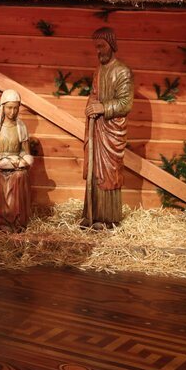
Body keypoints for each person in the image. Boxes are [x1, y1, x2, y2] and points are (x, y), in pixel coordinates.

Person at [80, 27, 133, 229]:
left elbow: (126, 103)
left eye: (101, 46)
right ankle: (92, 214)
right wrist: (91, 105)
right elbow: (94, 94)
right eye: (96, 47)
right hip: (97, 128)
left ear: (111, 46)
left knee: (109, 174)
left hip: (112, 130)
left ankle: (108, 218)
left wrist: (103, 107)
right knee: (95, 172)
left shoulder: (123, 71)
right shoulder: (99, 70)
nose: (98, 51)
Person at [0, 89, 34, 232]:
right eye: (9, 108)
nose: (12, 112)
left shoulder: (21, 127)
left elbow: (25, 152)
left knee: (19, 177)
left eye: (16, 108)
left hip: (16, 164)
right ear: (3, 107)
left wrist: (21, 162)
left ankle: (16, 223)